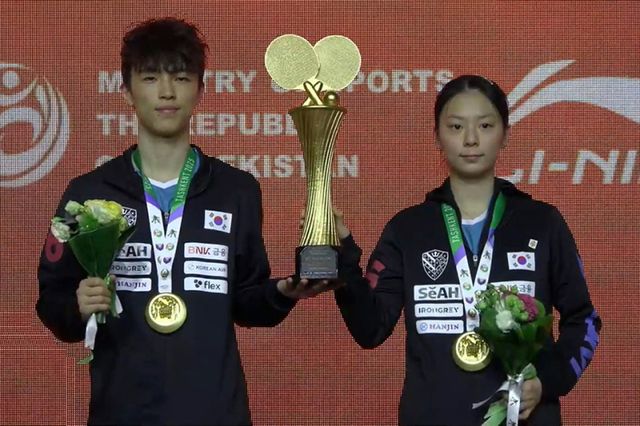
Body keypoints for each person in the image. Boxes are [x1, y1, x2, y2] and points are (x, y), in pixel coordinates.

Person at [36, 17, 333, 425]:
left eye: (180, 77)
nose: (167, 91)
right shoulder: (88, 193)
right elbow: (51, 302)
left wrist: (283, 291)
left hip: (215, 411)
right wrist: (77, 306)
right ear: (127, 91)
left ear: (200, 90)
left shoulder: (236, 190)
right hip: (122, 412)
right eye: (150, 77)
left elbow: (246, 302)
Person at [333, 75, 601, 425]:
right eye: (456, 126)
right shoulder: (408, 229)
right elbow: (369, 329)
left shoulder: (542, 222)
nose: (471, 139)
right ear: (437, 137)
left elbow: (585, 321)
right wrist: (343, 255)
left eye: (485, 126)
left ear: (505, 134)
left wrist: (546, 381)